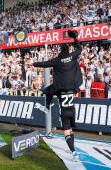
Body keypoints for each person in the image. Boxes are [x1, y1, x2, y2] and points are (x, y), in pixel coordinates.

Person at [33, 30, 82, 161]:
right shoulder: (72, 57)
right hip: (72, 109)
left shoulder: (57, 61)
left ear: (60, 52)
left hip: (64, 108)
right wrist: (75, 38)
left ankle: (74, 152)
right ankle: (74, 152)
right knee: (70, 131)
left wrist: (33, 64)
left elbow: (45, 64)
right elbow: (79, 48)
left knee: (47, 91)